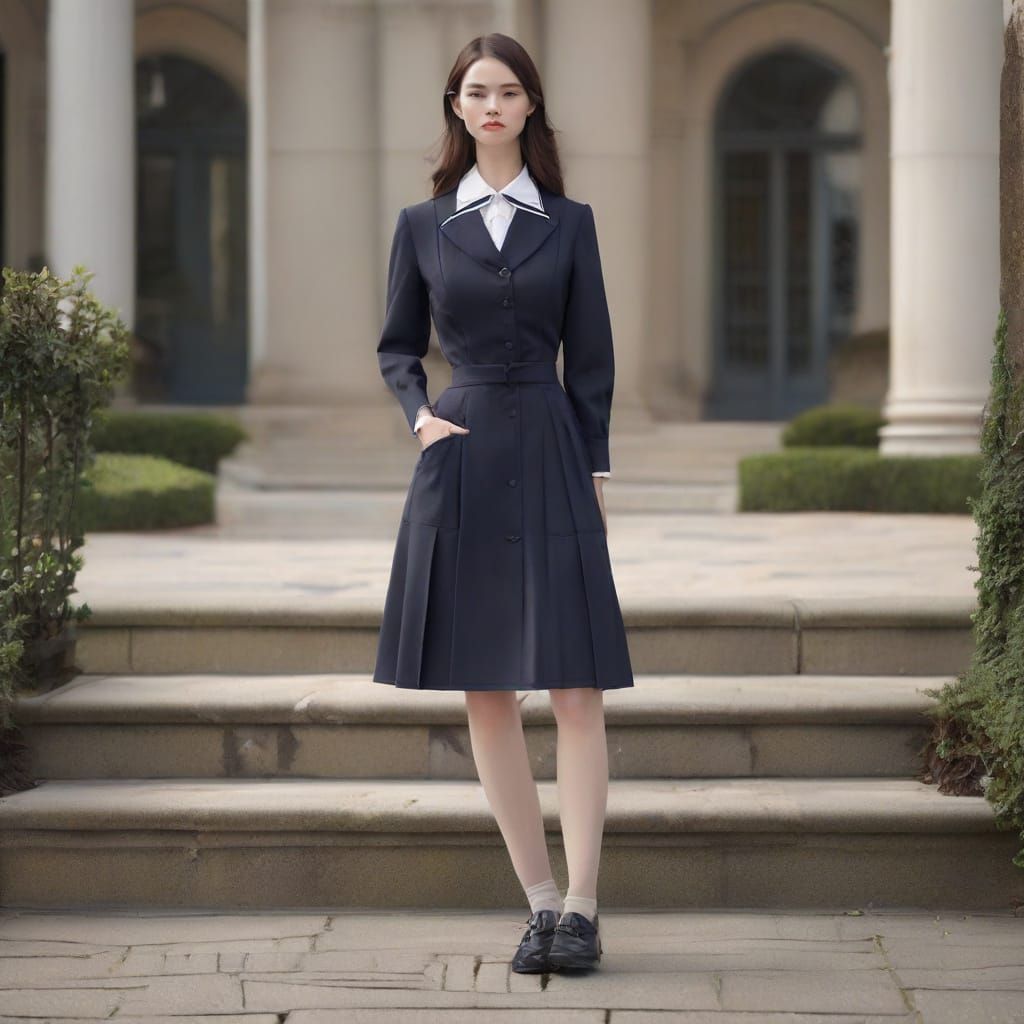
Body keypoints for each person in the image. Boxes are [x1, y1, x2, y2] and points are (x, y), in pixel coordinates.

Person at [372, 31, 634, 974]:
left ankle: (586, 910)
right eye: (476, 91)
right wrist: (419, 419)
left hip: (555, 447)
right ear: (456, 105)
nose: (492, 105)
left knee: (576, 686)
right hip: (465, 451)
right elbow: (396, 345)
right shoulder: (421, 224)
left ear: (530, 108)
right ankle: (537, 903)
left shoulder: (571, 223)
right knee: (486, 689)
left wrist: (597, 472)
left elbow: (593, 358)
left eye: (509, 91)